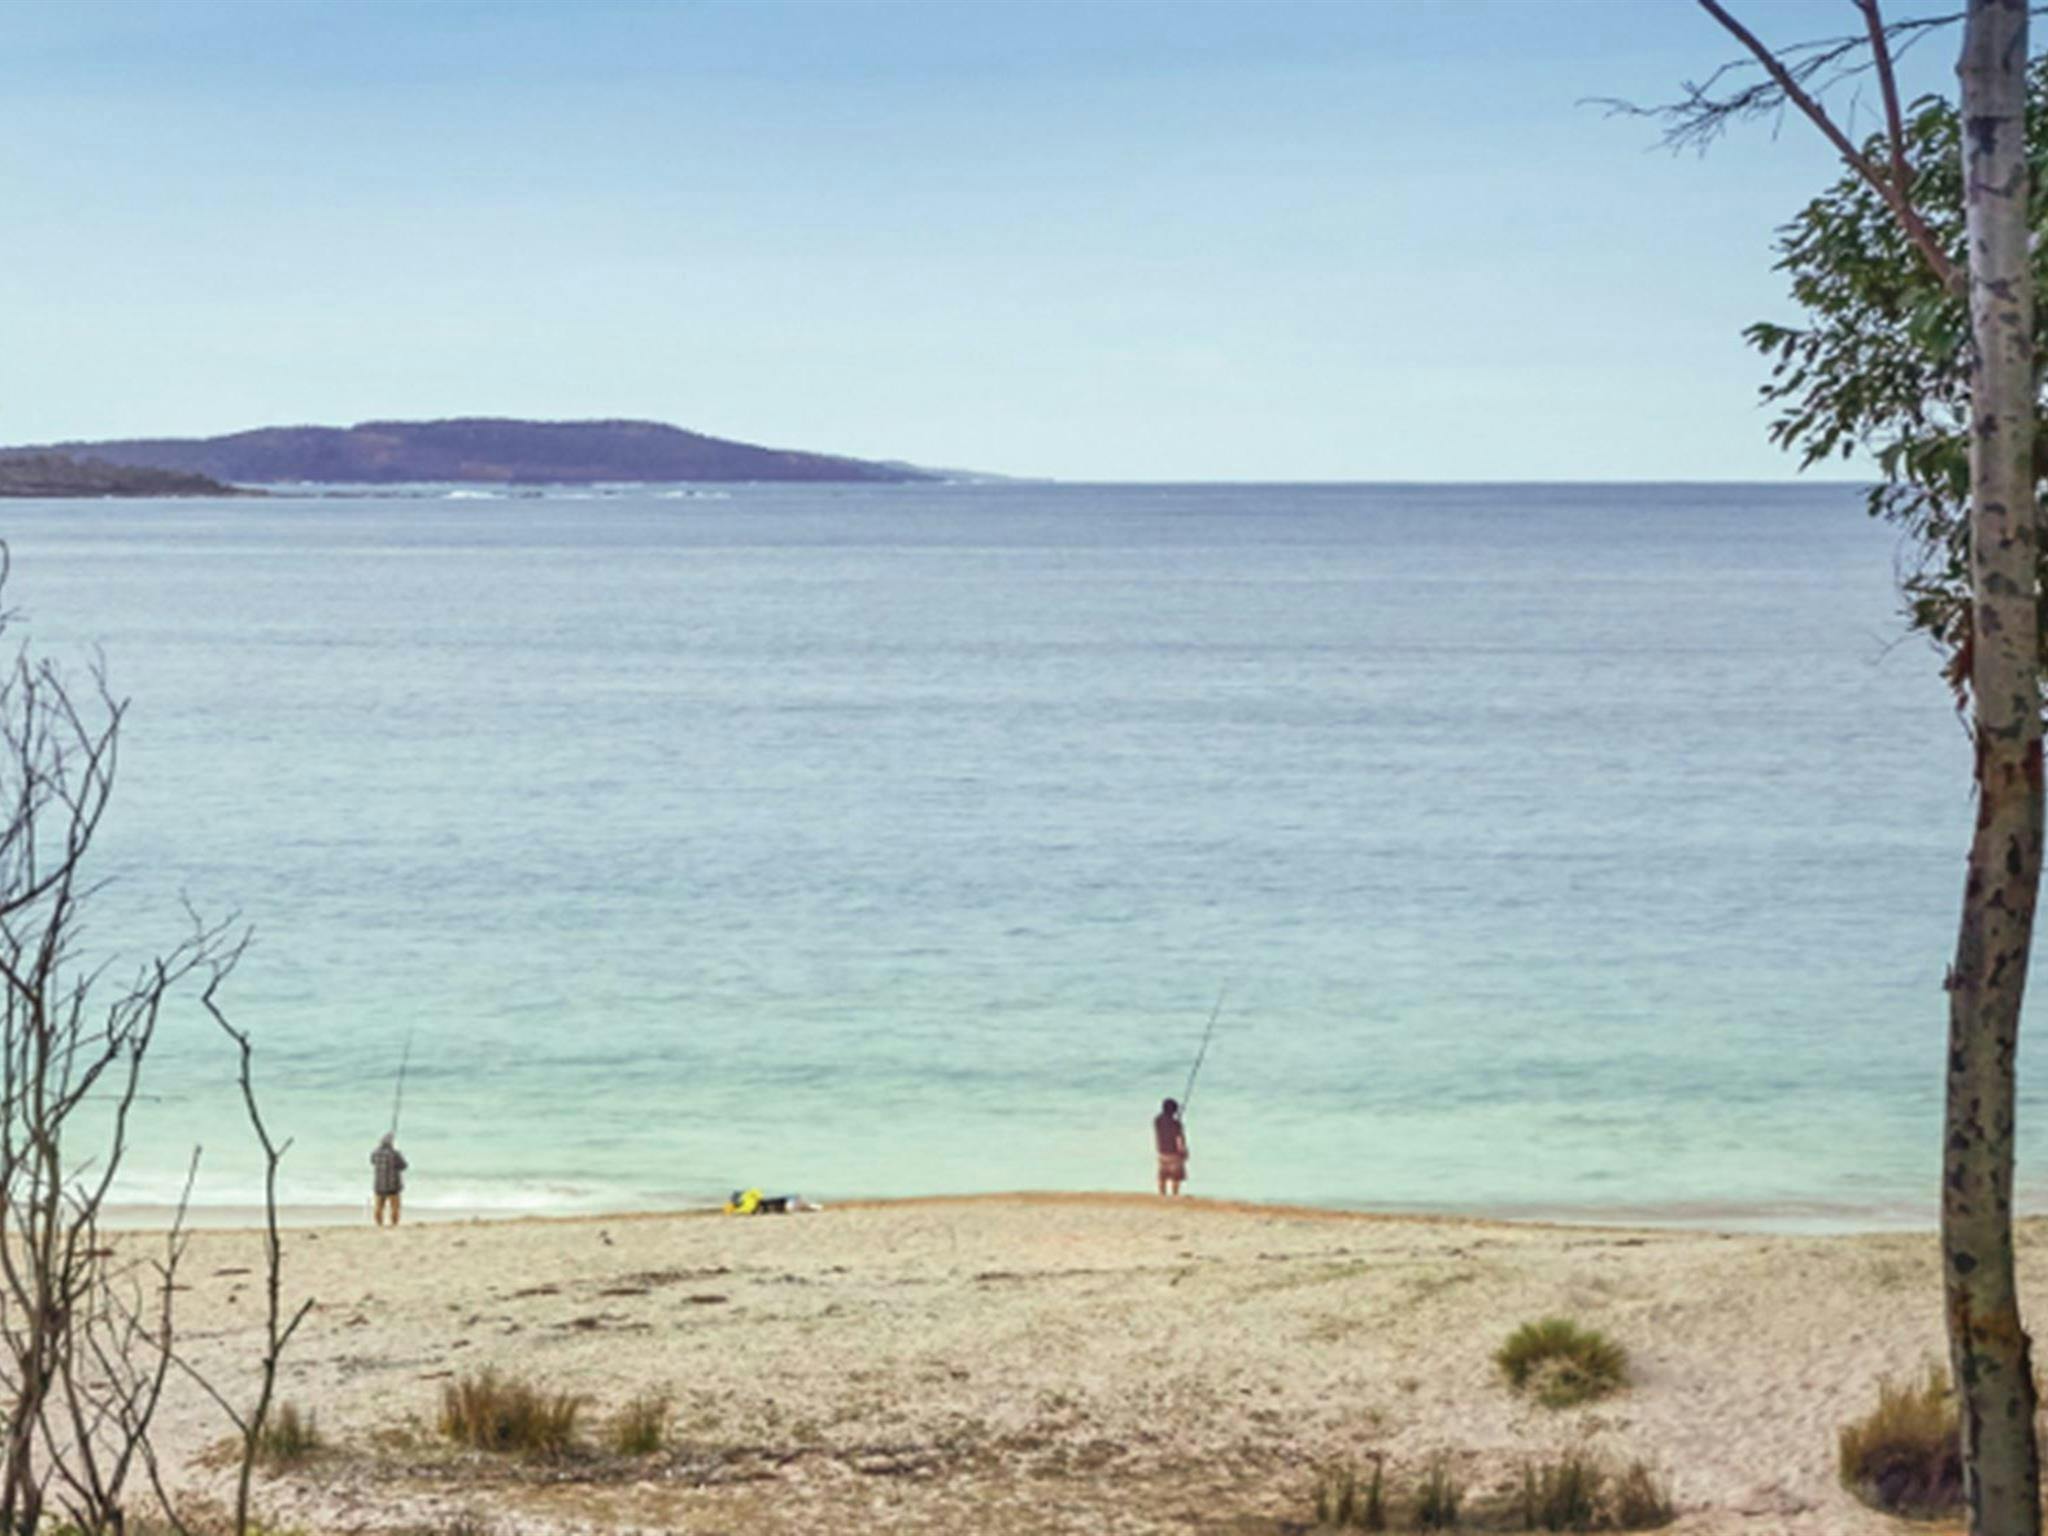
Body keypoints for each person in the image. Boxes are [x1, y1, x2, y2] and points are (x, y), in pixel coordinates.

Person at [371, 1132, 408, 1227]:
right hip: (393, 1185)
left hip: (379, 1185)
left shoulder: (375, 1153)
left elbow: (373, 1162)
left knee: (378, 1207)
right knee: (395, 1207)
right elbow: (404, 1166)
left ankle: (379, 1224)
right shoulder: (395, 1154)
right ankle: (394, 1224)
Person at [1154, 1097, 1188, 1196]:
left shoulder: (1157, 1121)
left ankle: (1162, 1194)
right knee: (1175, 1177)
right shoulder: (1176, 1124)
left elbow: (1165, 1123)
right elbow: (1179, 1140)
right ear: (1174, 1111)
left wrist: (1176, 1117)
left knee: (1162, 1176)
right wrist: (1183, 1152)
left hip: (1162, 1152)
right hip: (1174, 1154)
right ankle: (1175, 1195)